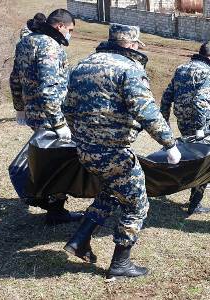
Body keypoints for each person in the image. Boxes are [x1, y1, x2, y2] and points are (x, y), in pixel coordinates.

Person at [62, 23, 181, 280]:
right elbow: (146, 111)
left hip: (85, 150)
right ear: (130, 44)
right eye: (137, 44)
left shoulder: (83, 65)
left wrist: (82, 137)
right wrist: (169, 144)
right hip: (114, 154)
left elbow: (67, 108)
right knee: (137, 205)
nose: (138, 49)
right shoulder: (129, 69)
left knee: (112, 192)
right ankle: (120, 263)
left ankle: (79, 240)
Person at [9, 9, 82, 225]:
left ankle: (53, 207)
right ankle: (53, 208)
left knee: (49, 159)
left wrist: (20, 107)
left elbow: (15, 78)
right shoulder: (50, 46)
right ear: (59, 26)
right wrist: (59, 123)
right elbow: (48, 88)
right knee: (57, 162)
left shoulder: (26, 42)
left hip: (34, 112)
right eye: (69, 30)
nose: (70, 34)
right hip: (51, 115)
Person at [160, 42, 210, 215]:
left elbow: (167, 95)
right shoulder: (209, 72)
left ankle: (187, 191)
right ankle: (195, 203)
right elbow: (200, 100)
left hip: (182, 121)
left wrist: (164, 122)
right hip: (199, 124)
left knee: (192, 158)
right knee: (205, 161)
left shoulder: (182, 68)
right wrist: (201, 128)